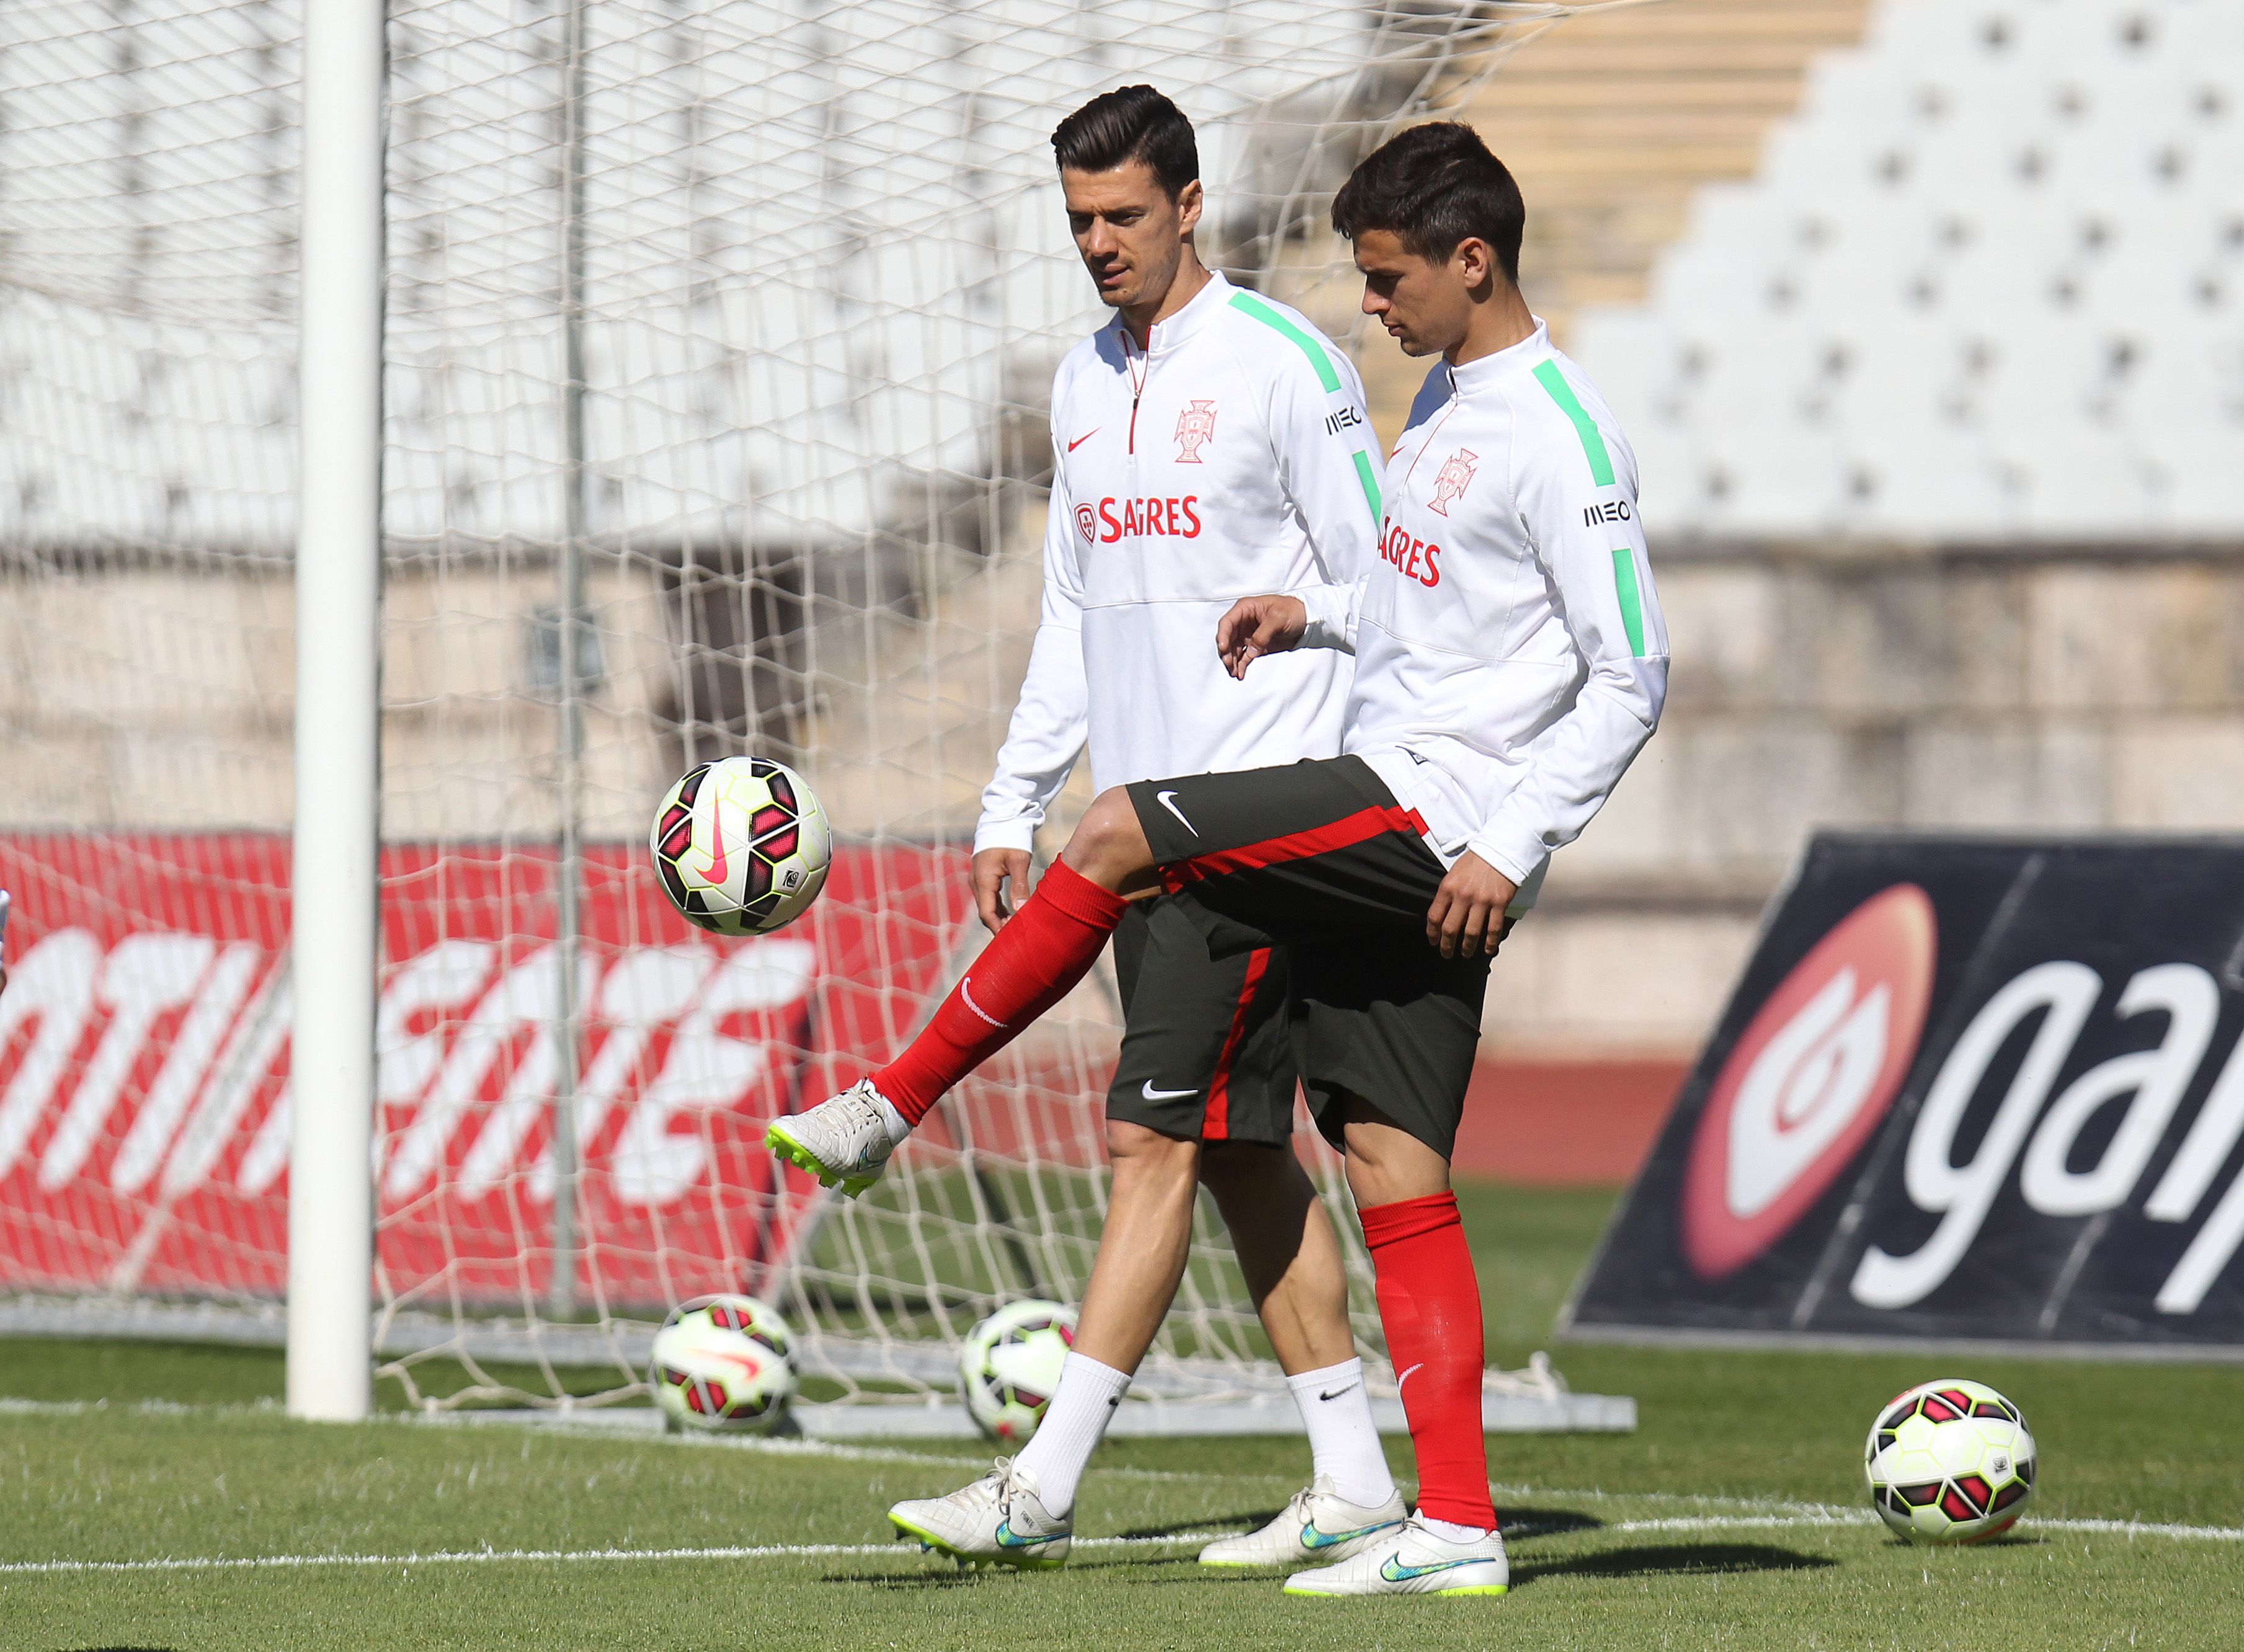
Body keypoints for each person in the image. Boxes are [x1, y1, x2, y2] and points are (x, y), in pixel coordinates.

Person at [781, 118, 1667, 1599]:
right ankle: (1445, 1524)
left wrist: (1509, 846)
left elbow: (1630, 675)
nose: (1370, 306)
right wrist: (1307, 616)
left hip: (1422, 816)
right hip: (1397, 802)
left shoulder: (1561, 437)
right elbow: (1416, 611)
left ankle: (892, 1105)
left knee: (1124, 831)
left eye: (1389, 280)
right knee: (1387, 1160)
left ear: (1472, 260)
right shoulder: (1447, 403)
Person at [764, 86, 1404, 1571]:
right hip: (1134, 814)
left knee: (1145, 1145)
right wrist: (1010, 795)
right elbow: (1074, 610)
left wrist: (1325, 724)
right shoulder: (1078, 380)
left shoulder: (1283, 368)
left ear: (1190, 207)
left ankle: (1038, 1480)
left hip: (1245, 825)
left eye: (1122, 216)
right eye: (1077, 223)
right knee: (1240, 1155)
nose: (1099, 245)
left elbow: (1393, 590)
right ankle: (1357, 1476)